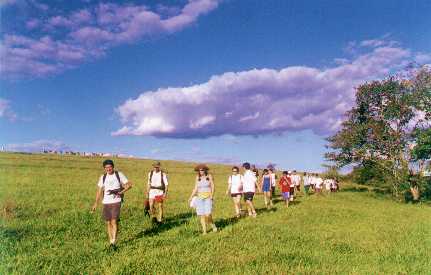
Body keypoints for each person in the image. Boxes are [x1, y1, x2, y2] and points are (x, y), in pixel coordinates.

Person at [91, 159, 132, 247]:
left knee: (114, 221)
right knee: (108, 222)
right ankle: (111, 241)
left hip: (116, 201)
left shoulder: (119, 174)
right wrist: (95, 203)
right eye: (106, 167)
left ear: (113, 167)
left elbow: (129, 185)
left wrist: (122, 192)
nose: (108, 169)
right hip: (106, 202)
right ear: (104, 168)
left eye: (109, 167)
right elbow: (99, 191)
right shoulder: (103, 177)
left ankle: (113, 242)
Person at [188, 164, 217, 234]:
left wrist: (212, 196)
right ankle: (204, 232)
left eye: (202, 170)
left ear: (205, 170)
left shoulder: (209, 176)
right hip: (199, 198)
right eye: (199, 170)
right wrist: (190, 197)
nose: (201, 171)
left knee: (208, 214)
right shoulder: (197, 177)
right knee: (201, 215)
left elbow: (213, 186)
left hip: (208, 197)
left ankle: (213, 225)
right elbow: (195, 188)